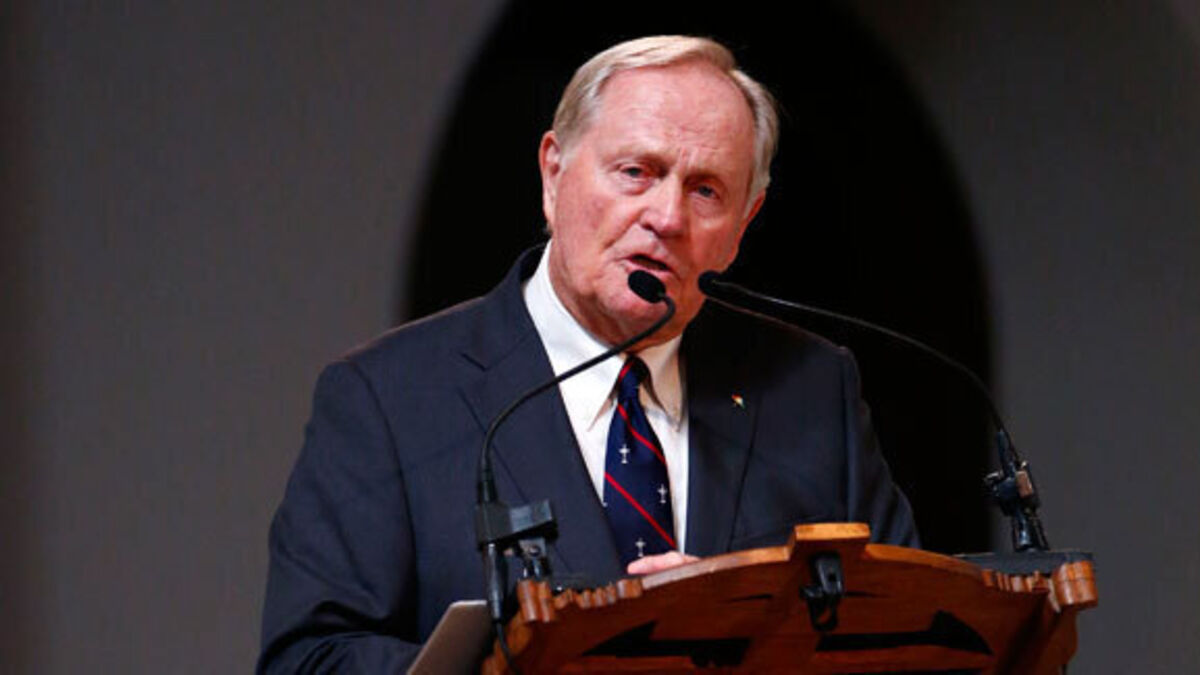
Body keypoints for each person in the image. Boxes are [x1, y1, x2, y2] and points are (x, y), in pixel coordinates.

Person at [258, 35, 917, 673]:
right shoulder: (388, 397)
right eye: (636, 173)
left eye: (706, 191)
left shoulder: (811, 389)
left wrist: (751, 646)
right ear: (554, 173)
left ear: (743, 224)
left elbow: (914, 640)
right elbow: (311, 660)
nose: (667, 217)